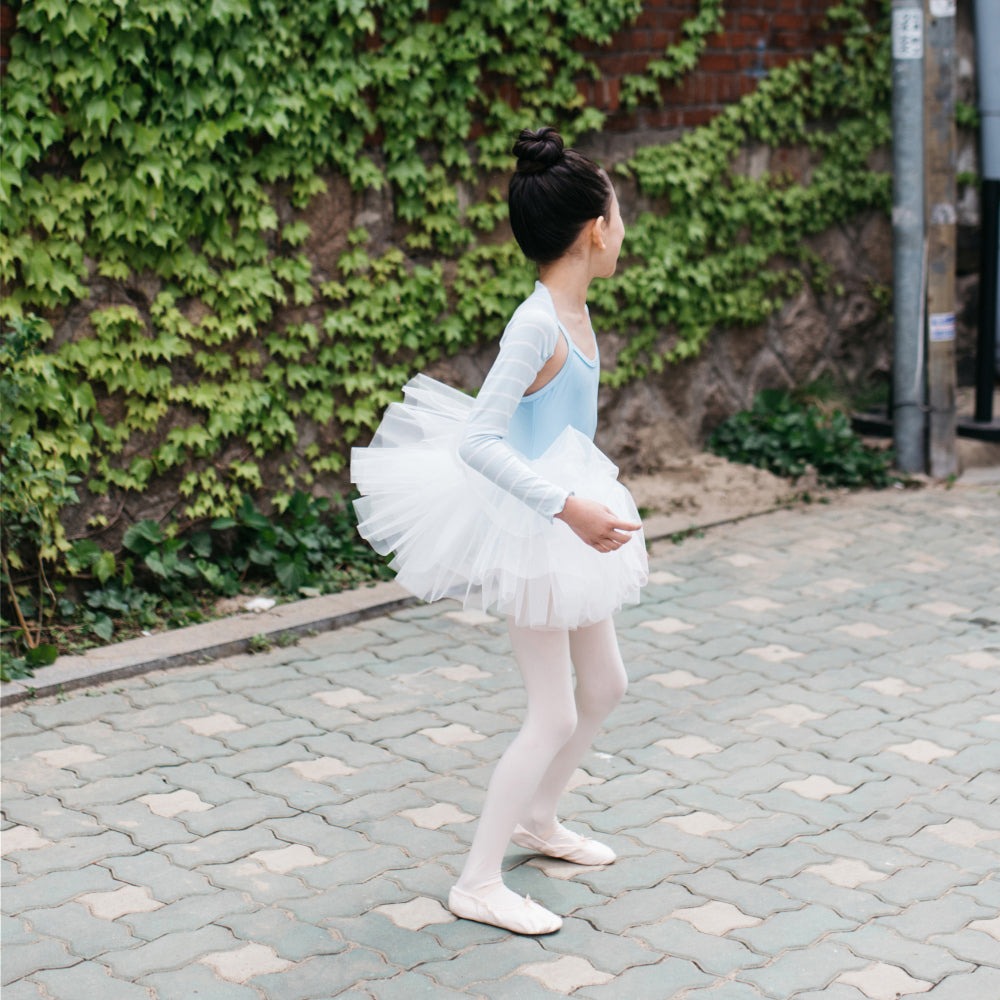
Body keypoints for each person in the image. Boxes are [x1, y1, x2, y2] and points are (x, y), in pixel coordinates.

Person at [350, 126, 648, 935]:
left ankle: (539, 820)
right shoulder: (537, 325)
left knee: (609, 684)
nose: (624, 231)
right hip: (536, 529)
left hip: (569, 518)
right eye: (619, 217)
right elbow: (478, 438)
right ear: (595, 231)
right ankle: (477, 881)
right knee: (551, 713)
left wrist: (580, 502)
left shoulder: (574, 314)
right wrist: (565, 507)